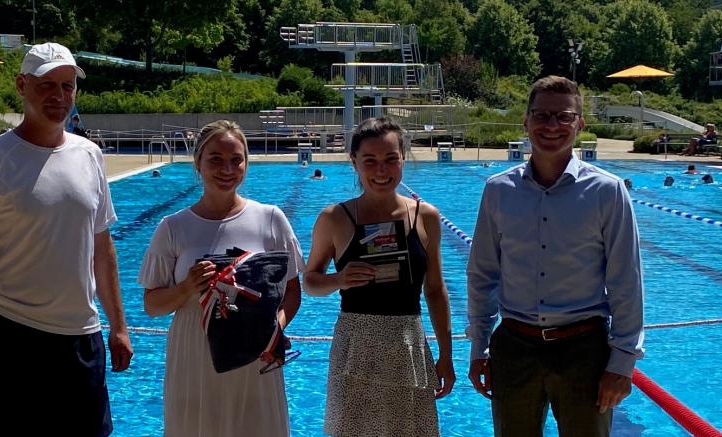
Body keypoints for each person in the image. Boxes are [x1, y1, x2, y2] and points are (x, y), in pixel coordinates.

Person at [0, 41, 132, 437]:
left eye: (67, 86)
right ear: (21, 85)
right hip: (14, 334)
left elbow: (103, 248)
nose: (59, 96)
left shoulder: (90, 155)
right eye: (48, 85)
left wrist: (118, 324)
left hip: (83, 335)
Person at [467, 76, 644, 437]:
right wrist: (479, 346)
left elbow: (626, 281)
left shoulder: (607, 191)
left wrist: (622, 363)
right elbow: (482, 274)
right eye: (542, 115)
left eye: (564, 117)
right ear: (525, 120)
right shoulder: (498, 190)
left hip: (584, 350)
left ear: (580, 123)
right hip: (514, 346)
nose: (551, 126)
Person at [139, 120, 303, 436]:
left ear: (246, 163)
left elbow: (292, 291)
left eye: (236, 159)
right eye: (215, 159)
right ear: (198, 163)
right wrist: (187, 287)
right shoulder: (173, 227)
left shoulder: (271, 219)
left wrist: (275, 331)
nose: (227, 168)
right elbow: (151, 304)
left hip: (256, 351)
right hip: (195, 352)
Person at [304, 117, 454, 436]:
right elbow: (310, 281)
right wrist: (338, 280)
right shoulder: (334, 218)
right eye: (370, 161)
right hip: (355, 347)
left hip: (408, 346)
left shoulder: (425, 216)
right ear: (354, 162)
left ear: (403, 159)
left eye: (390, 160)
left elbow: (436, 290)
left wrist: (446, 355)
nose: (381, 171)